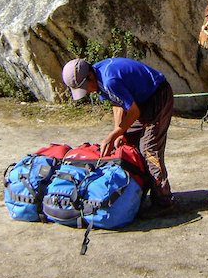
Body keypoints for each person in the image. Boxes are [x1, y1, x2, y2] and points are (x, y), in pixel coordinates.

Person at [62, 57, 176, 216]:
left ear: (90, 76)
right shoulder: (99, 78)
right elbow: (117, 104)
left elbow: (134, 112)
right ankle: (139, 191)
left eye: (85, 87)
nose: (87, 91)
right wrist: (119, 132)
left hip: (157, 96)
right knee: (127, 143)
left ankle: (164, 201)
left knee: (149, 149)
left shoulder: (109, 79)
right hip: (141, 101)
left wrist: (112, 135)